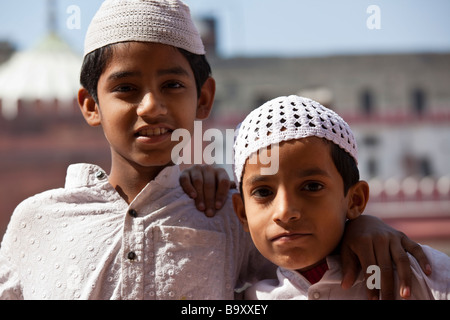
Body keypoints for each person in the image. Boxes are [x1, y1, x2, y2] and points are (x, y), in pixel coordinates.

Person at [0, 0, 430, 300]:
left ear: (204, 98)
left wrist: (361, 226)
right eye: (126, 89)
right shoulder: (38, 222)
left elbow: (309, 267)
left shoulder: (229, 216)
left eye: (172, 85)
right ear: (91, 105)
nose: (151, 106)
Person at [231, 95, 450, 300]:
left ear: (355, 200)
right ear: (242, 213)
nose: (285, 211)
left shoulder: (415, 274)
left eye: (312, 186)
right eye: (263, 192)